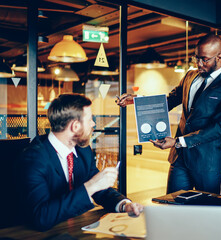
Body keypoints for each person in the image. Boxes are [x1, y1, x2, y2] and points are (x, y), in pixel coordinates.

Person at [116, 33, 221, 194]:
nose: (199, 63)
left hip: (207, 162)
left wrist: (178, 141)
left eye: (204, 59)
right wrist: (137, 100)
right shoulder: (190, 76)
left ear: (219, 57)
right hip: (179, 159)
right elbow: (169, 100)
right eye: (196, 58)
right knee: (173, 206)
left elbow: (218, 127)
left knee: (207, 212)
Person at [17, 93, 143, 231]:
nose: (93, 124)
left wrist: (124, 205)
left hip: (73, 229)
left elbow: (100, 190)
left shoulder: (83, 151)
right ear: (75, 126)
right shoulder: (34, 158)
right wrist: (90, 186)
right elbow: (41, 217)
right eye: (90, 119)